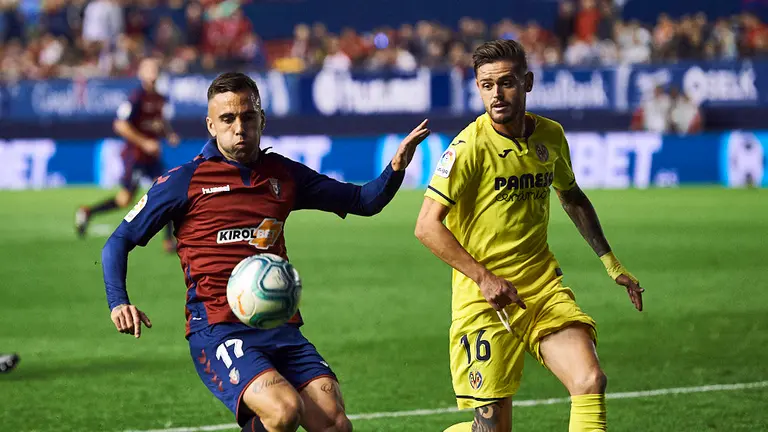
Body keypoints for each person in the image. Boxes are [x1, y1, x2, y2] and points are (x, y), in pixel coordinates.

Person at [101, 72, 430, 432]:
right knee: (283, 411)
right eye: (227, 119)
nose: (239, 128)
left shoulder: (283, 175)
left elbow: (363, 201)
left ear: (262, 120)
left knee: (334, 422)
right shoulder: (184, 180)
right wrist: (119, 302)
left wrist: (396, 168)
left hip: (280, 325)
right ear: (211, 125)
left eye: (247, 117)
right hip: (219, 328)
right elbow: (119, 240)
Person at [414, 39, 644, 432]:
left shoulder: (550, 135)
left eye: (506, 83)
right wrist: (485, 278)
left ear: (528, 82)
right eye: (487, 85)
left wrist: (611, 263)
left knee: (589, 381)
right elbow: (426, 226)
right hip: (484, 301)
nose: (496, 94)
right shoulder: (468, 148)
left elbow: (572, 196)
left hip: (541, 288)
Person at [77, 57, 180, 253]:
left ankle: (168, 241)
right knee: (125, 199)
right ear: (141, 74)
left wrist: (169, 134)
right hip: (135, 156)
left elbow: (160, 122)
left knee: (167, 189)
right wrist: (144, 142)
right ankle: (88, 212)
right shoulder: (136, 98)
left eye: (155, 69)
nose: (153, 73)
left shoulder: (160, 98)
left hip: (152, 158)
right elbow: (120, 125)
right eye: (149, 69)